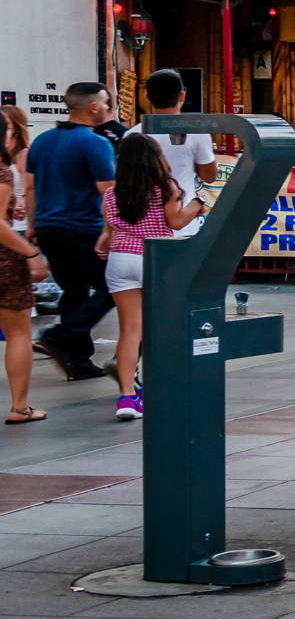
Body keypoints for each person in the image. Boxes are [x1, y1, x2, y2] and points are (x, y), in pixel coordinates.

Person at [100, 132, 205, 420]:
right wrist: (197, 204)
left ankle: (127, 397)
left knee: (130, 332)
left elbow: (110, 227)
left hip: (120, 261)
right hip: (155, 260)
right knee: (160, 330)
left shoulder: (111, 193)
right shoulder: (165, 188)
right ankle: (162, 387)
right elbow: (177, 220)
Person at [28, 82, 116, 382]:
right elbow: (108, 191)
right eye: (106, 103)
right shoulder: (95, 143)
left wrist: (32, 226)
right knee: (113, 286)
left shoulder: (41, 141)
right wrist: (111, 229)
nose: (108, 109)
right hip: (83, 228)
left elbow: (29, 188)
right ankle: (60, 335)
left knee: (75, 291)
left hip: (48, 228)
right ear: (93, 107)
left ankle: (77, 360)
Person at [125, 70, 218, 237]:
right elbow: (210, 176)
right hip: (183, 221)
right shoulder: (197, 134)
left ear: (146, 96)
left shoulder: (132, 135)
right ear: (182, 96)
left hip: (140, 225)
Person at [1, 116, 41, 424]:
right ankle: (19, 406)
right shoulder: (2, 173)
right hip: (5, 262)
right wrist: (30, 253)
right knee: (17, 333)